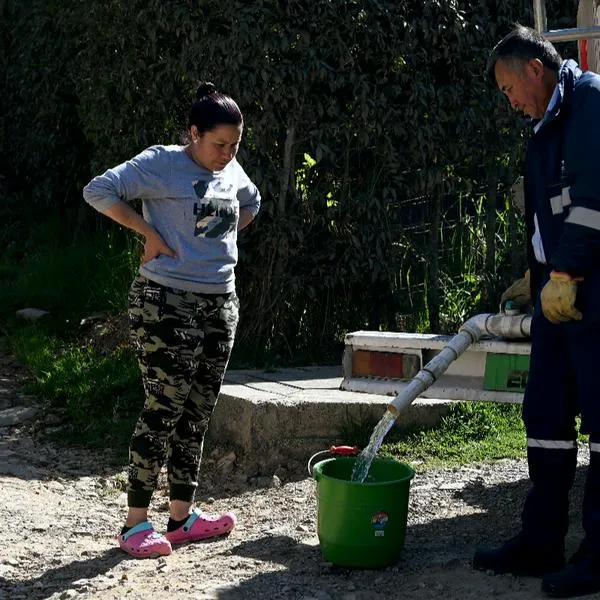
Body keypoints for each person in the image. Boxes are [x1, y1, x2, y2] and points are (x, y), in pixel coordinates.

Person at [83, 82, 261, 558]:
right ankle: (134, 526)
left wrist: (216, 242)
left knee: (198, 412)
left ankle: (181, 519)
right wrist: (150, 233)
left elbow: (252, 201)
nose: (227, 153)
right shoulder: (160, 163)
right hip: (166, 302)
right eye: (218, 144)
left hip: (221, 302)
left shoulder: (231, 166)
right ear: (193, 133)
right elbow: (97, 190)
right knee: (163, 408)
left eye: (235, 145)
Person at [473, 25, 600, 598]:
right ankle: (541, 541)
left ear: (534, 69)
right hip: (557, 294)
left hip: (592, 291)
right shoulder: (543, 124)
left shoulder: (590, 102)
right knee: (545, 416)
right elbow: (551, 207)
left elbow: (596, 196)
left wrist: (569, 272)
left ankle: (599, 556)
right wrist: (540, 273)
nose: (509, 100)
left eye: (507, 88)